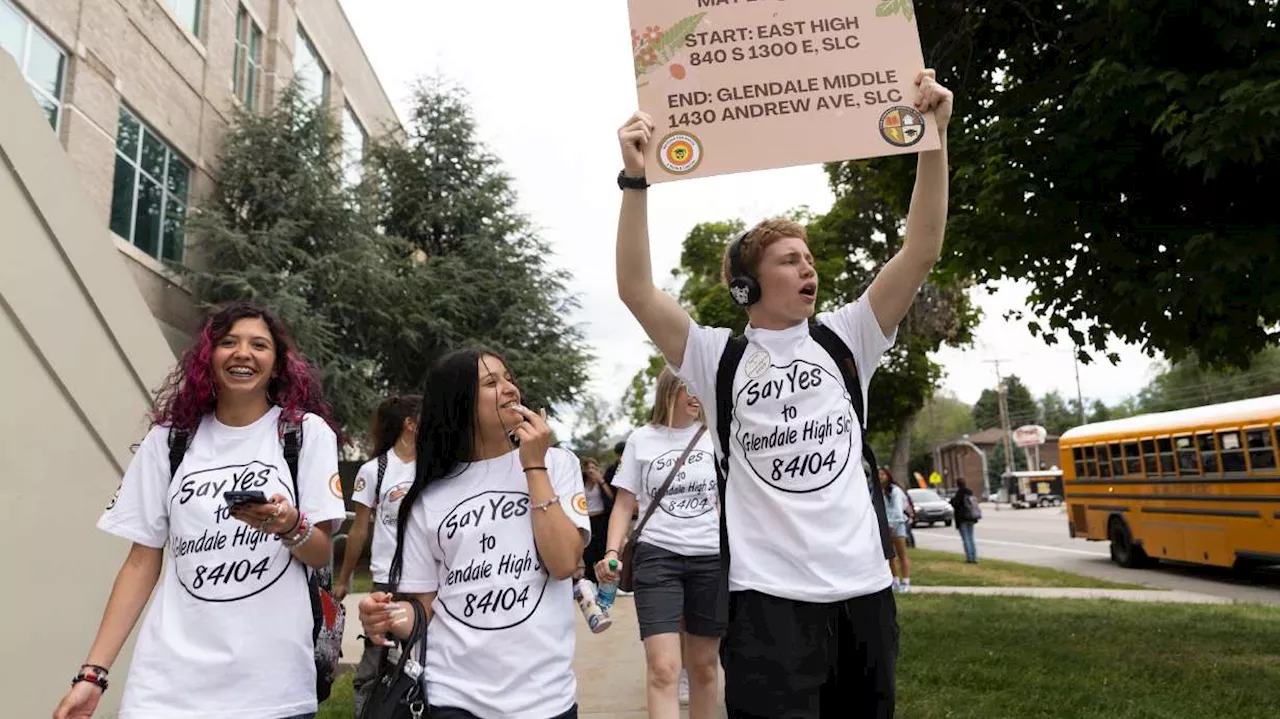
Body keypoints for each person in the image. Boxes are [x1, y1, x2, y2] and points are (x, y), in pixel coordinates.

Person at [613, 69, 954, 718]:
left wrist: (932, 139)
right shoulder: (717, 358)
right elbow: (637, 289)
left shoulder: (849, 335)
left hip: (865, 594)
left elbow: (922, 248)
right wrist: (635, 181)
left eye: (809, 255)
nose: (808, 266)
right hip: (767, 604)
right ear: (747, 287)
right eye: (789, 259)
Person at [53, 301, 346, 719]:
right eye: (228, 342)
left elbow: (319, 552)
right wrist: (92, 675)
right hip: (166, 689)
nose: (243, 353)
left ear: (278, 364)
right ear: (208, 357)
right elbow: (140, 563)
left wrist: (288, 524)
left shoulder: (303, 435)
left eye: (259, 345)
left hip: (269, 688)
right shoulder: (169, 443)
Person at [357, 348, 590, 719]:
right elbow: (425, 609)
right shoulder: (427, 497)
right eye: (490, 382)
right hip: (454, 696)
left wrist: (533, 464)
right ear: (459, 402)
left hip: (546, 697)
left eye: (508, 377)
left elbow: (564, 562)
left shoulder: (557, 464)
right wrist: (388, 616)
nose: (510, 388)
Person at [595, 369, 722, 719]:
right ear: (670, 391)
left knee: (705, 668)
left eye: (701, 390)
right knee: (664, 668)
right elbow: (623, 503)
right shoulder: (641, 439)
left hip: (710, 559)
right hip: (658, 558)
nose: (697, 397)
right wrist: (611, 552)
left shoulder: (715, 437)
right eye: (690, 389)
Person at [337, 394, 422, 716]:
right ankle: (369, 711)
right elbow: (359, 529)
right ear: (410, 424)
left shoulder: (434, 466)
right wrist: (343, 580)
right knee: (376, 659)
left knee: (425, 654)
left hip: (426, 579)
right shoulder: (374, 471)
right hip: (386, 580)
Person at [581, 457, 615, 583]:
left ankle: (606, 581)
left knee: (601, 549)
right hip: (587, 519)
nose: (591, 471)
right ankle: (590, 581)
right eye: (588, 468)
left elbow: (611, 496)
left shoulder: (602, 481)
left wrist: (601, 481)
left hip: (600, 519)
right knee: (587, 551)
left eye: (593, 468)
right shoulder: (581, 482)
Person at [880, 468, 912, 593]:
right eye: (878, 474)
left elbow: (898, 510)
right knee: (890, 556)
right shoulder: (878, 491)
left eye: (882, 474)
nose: (880, 476)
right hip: (885, 526)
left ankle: (906, 581)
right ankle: (894, 581)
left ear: (888, 476)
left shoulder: (895, 491)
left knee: (901, 555)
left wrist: (892, 525)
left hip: (897, 525)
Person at [950, 476, 980, 563]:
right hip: (971, 517)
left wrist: (952, 501)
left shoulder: (959, 493)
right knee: (971, 538)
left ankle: (969, 558)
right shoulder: (969, 492)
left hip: (962, 518)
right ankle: (974, 557)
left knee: (966, 539)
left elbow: (955, 503)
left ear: (957, 484)